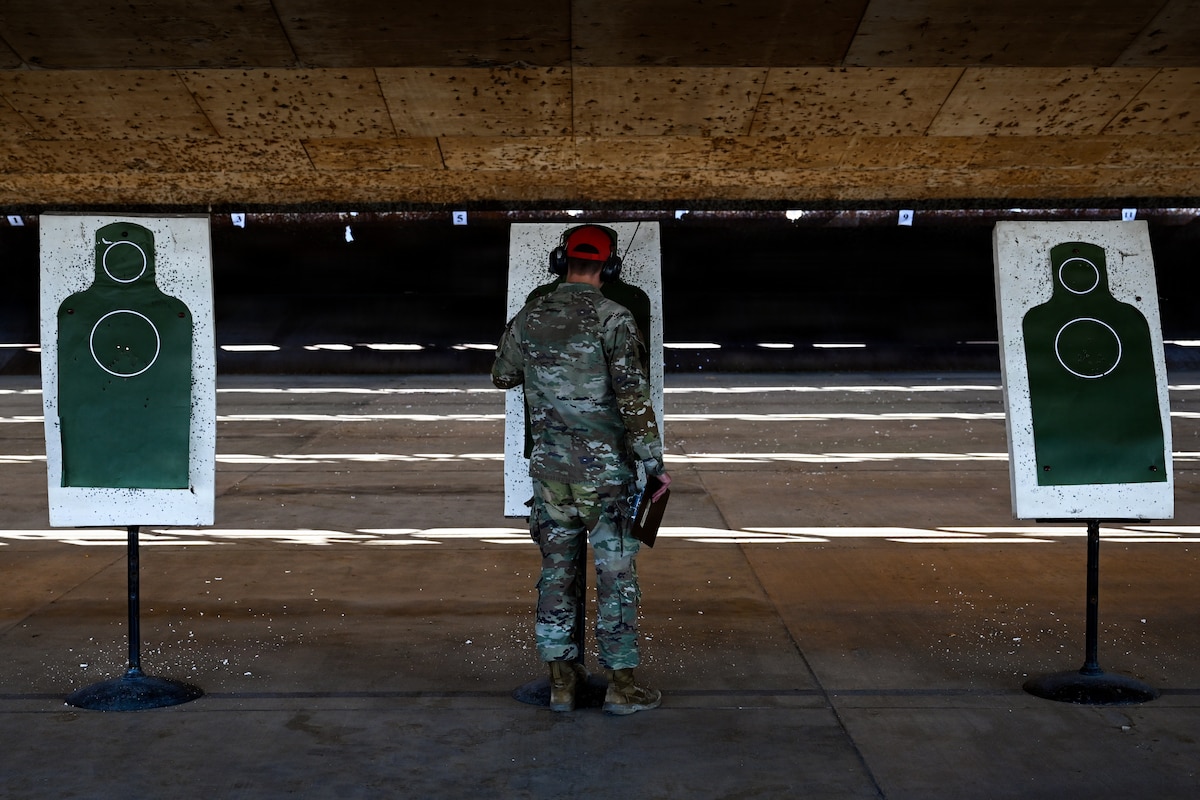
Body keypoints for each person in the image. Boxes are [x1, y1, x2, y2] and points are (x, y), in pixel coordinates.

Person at [492, 224, 671, 715]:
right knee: (616, 575)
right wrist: (654, 460)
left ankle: (561, 684)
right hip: (607, 475)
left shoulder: (529, 316)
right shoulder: (615, 318)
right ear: (610, 267)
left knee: (557, 572)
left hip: (550, 470)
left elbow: (501, 374)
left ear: (558, 261)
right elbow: (633, 396)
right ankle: (620, 685)